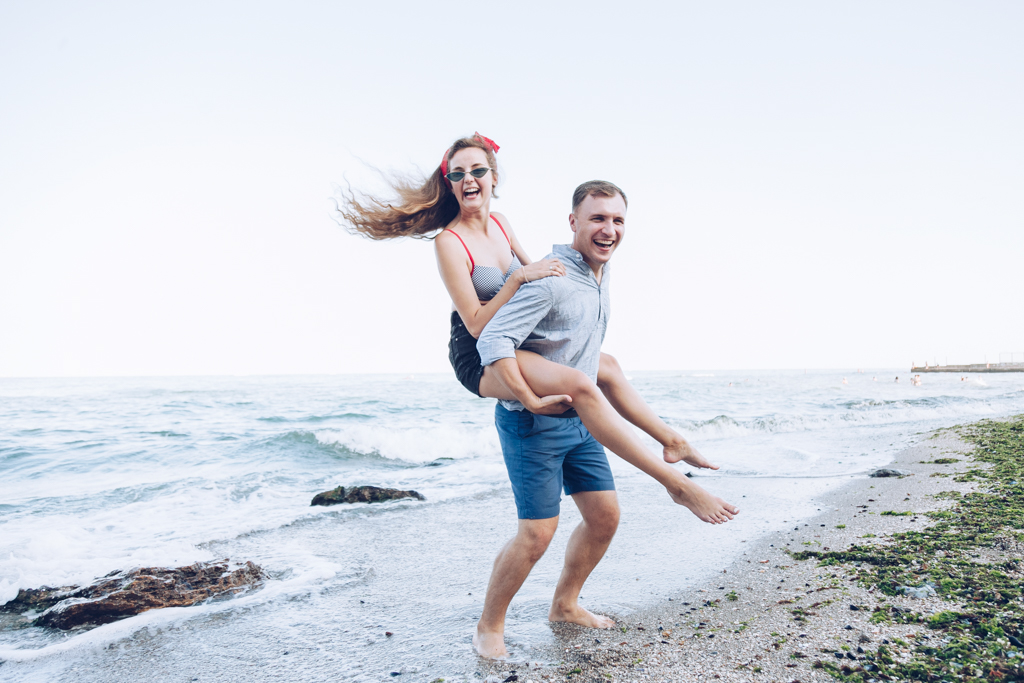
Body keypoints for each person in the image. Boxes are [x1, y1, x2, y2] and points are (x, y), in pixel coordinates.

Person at [333, 134, 714, 471]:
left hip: (519, 336)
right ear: (450, 183)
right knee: (580, 383)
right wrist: (516, 279)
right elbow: (477, 324)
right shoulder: (449, 242)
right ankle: (667, 479)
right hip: (477, 353)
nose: (469, 179)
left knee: (609, 364)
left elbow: (540, 278)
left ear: (493, 177)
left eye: (477, 170)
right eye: (458, 173)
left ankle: (673, 440)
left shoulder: (501, 222)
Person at [472, 180, 739, 659]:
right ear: (573, 222)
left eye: (617, 220)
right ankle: (489, 626)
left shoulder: (599, 274)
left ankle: (565, 606)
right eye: (597, 218)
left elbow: (588, 356)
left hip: (581, 422)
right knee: (536, 535)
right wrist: (529, 397)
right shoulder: (554, 278)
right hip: (532, 425)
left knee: (604, 518)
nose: (608, 229)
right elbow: (492, 340)